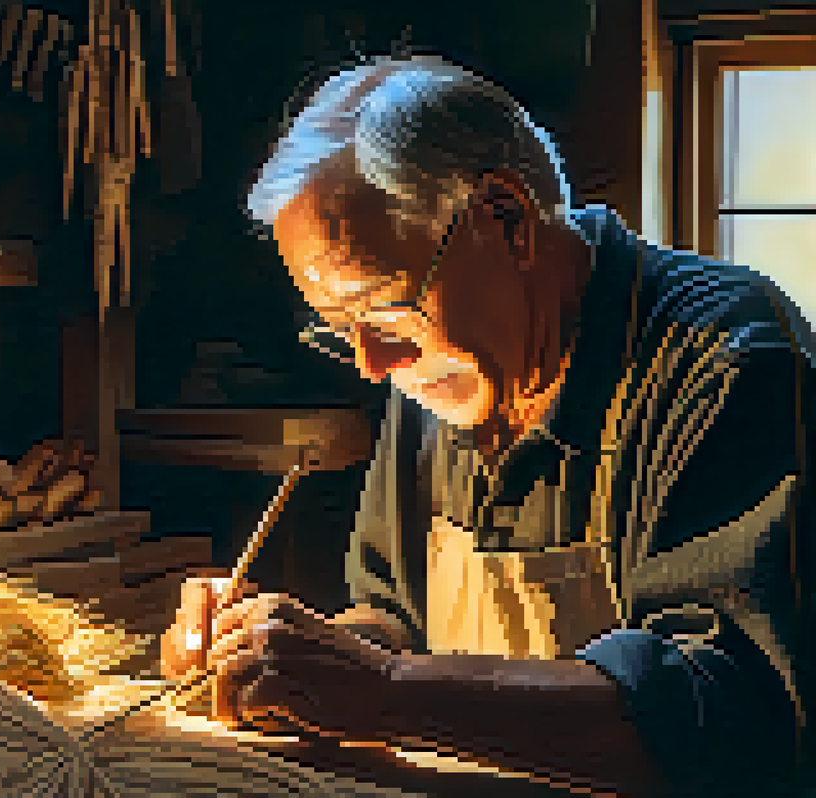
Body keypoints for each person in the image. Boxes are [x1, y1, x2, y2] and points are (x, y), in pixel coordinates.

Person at [164, 53, 816, 797]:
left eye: (383, 310)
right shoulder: (436, 373)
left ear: (504, 218)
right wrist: (295, 657)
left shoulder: (725, 360)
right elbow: (394, 616)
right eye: (339, 331)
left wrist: (385, 687)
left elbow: (721, 714)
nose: (372, 363)